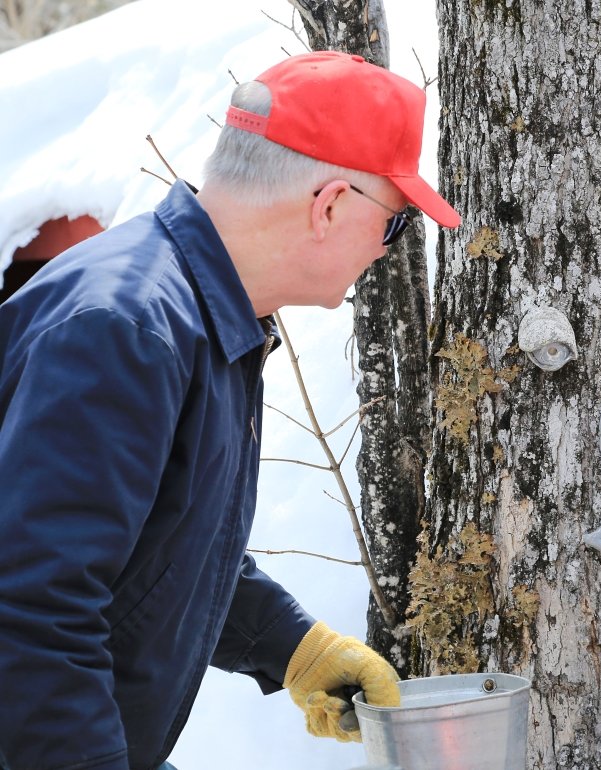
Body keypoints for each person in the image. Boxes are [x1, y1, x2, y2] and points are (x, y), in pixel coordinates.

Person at [0, 51, 461, 770]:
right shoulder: (127, 331)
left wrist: (292, 648)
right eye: (395, 224)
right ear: (331, 203)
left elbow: (154, 545)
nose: (384, 250)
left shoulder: (198, 316)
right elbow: (30, 615)